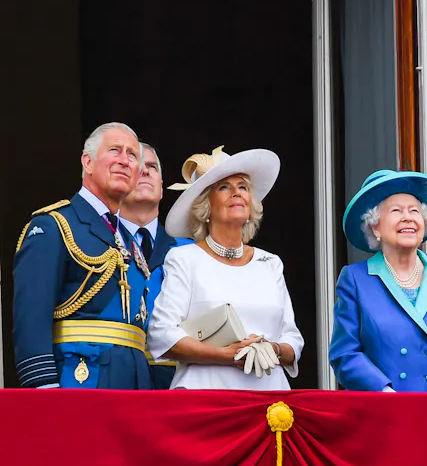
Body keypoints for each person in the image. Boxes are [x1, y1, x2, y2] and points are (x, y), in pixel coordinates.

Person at [147, 146, 303, 390]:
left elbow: (293, 341)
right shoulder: (184, 259)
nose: (236, 193)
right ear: (205, 207)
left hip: (269, 400)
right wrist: (229, 355)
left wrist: (272, 349)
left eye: (242, 187)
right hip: (206, 398)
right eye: (224, 187)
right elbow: (162, 335)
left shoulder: (270, 264)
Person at [13, 122, 152, 388]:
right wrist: (42, 386)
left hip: (134, 383)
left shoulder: (130, 239)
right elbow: (31, 315)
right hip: (79, 379)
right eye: (115, 150)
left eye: (132, 155)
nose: (124, 160)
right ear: (87, 162)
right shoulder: (54, 225)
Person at [329, 169, 427, 392]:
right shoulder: (356, 280)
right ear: (375, 227)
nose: (408, 217)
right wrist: (385, 392)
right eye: (396, 210)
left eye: (414, 210)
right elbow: (345, 353)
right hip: (382, 412)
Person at [119, 142, 190, 389]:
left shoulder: (190, 251)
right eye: (136, 166)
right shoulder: (95, 245)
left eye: (151, 166)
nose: (145, 171)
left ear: (161, 188)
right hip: (114, 382)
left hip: (177, 384)